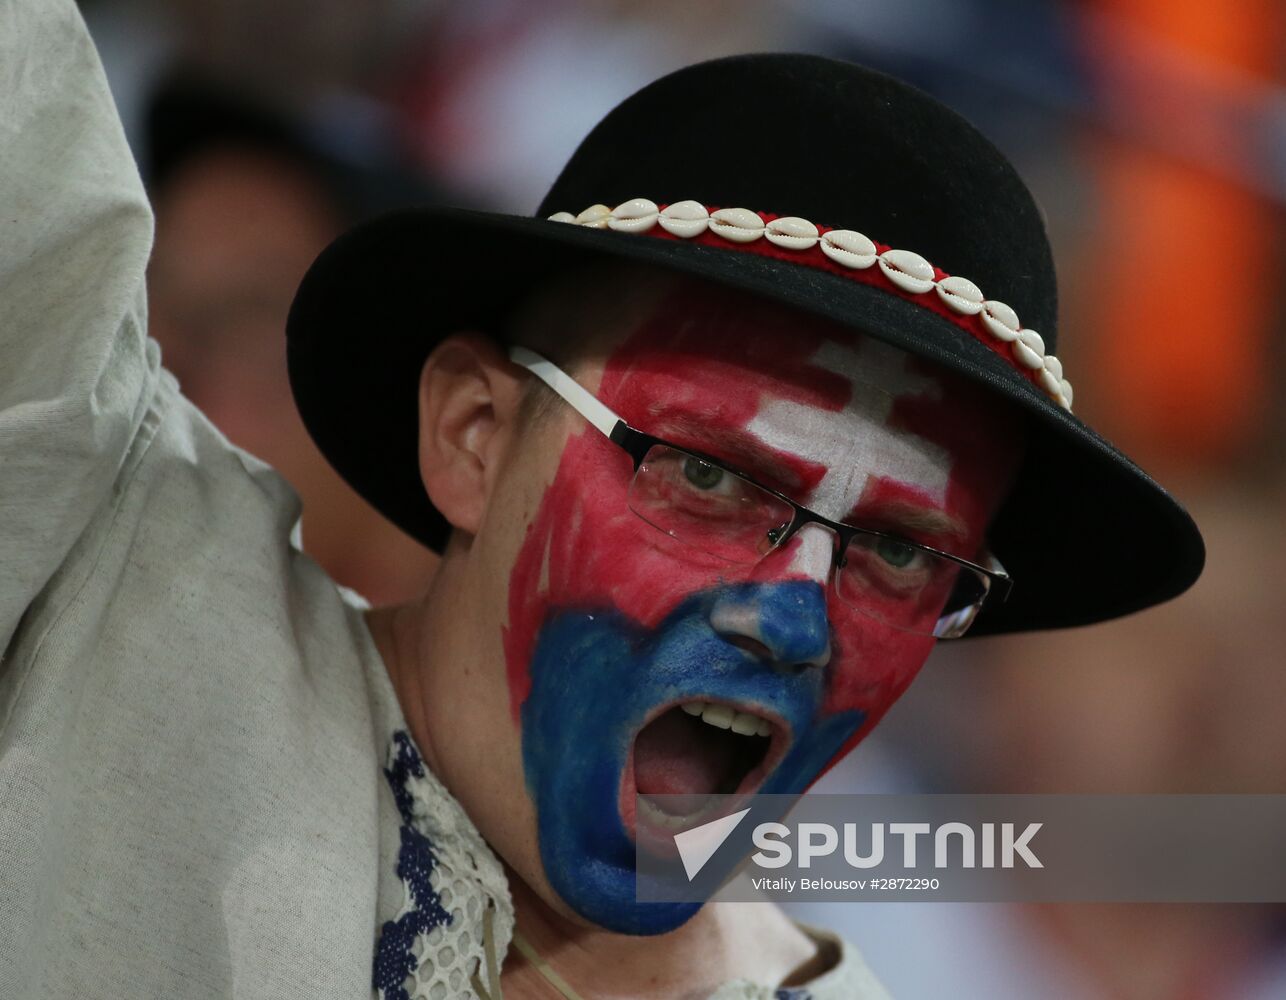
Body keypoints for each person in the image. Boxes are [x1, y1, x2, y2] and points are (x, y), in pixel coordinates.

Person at [0, 3, 1204, 999]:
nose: (791, 619)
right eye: (709, 472)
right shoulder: (119, 591)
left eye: (896, 548)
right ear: (472, 434)